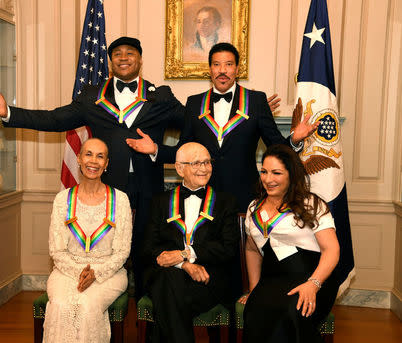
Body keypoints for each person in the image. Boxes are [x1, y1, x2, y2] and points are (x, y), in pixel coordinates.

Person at [0, 36, 184, 297]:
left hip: (148, 189)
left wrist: (159, 151)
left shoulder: (160, 96)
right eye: (117, 54)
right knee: (105, 253)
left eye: (130, 53)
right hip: (107, 191)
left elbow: (195, 134)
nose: (124, 57)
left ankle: (146, 320)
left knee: (145, 254)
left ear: (140, 59)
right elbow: (54, 119)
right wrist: (9, 113)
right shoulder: (92, 96)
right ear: (110, 61)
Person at [128, 42, 318, 213]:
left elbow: (276, 148)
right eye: (217, 64)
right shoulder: (194, 103)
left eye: (228, 64)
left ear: (237, 69)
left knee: (243, 250)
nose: (222, 70)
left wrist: (294, 139)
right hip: (203, 195)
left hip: (245, 196)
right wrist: (155, 149)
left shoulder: (256, 101)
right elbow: (182, 150)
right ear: (209, 69)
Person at [239, 144, 340, 343]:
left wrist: (313, 284)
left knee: (291, 311)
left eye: (276, 172)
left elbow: (332, 250)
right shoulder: (253, 207)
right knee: (256, 311)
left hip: (313, 276)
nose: (268, 179)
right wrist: (253, 289)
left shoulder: (312, 204)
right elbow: (251, 249)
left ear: (291, 175)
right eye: (264, 172)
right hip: (273, 279)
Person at [142, 142, 239, 343]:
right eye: (196, 163)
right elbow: (149, 246)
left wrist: (188, 253)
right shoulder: (160, 201)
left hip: (208, 278)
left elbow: (228, 248)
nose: (204, 168)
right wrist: (184, 264)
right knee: (170, 280)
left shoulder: (225, 202)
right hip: (169, 273)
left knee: (167, 291)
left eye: (207, 162)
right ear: (179, 168)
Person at [44, 138, 132, 343]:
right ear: (79, 158)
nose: (94, 161)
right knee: (60, 304)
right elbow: (56, 250)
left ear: (107, 163)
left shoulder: (120, 200)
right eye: (89, 154)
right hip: (66, 271)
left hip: (109, 274)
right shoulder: (62, 199)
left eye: (100, 156)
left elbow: (122, 252)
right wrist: (79, 272)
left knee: (86, 305)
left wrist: (96, 273)